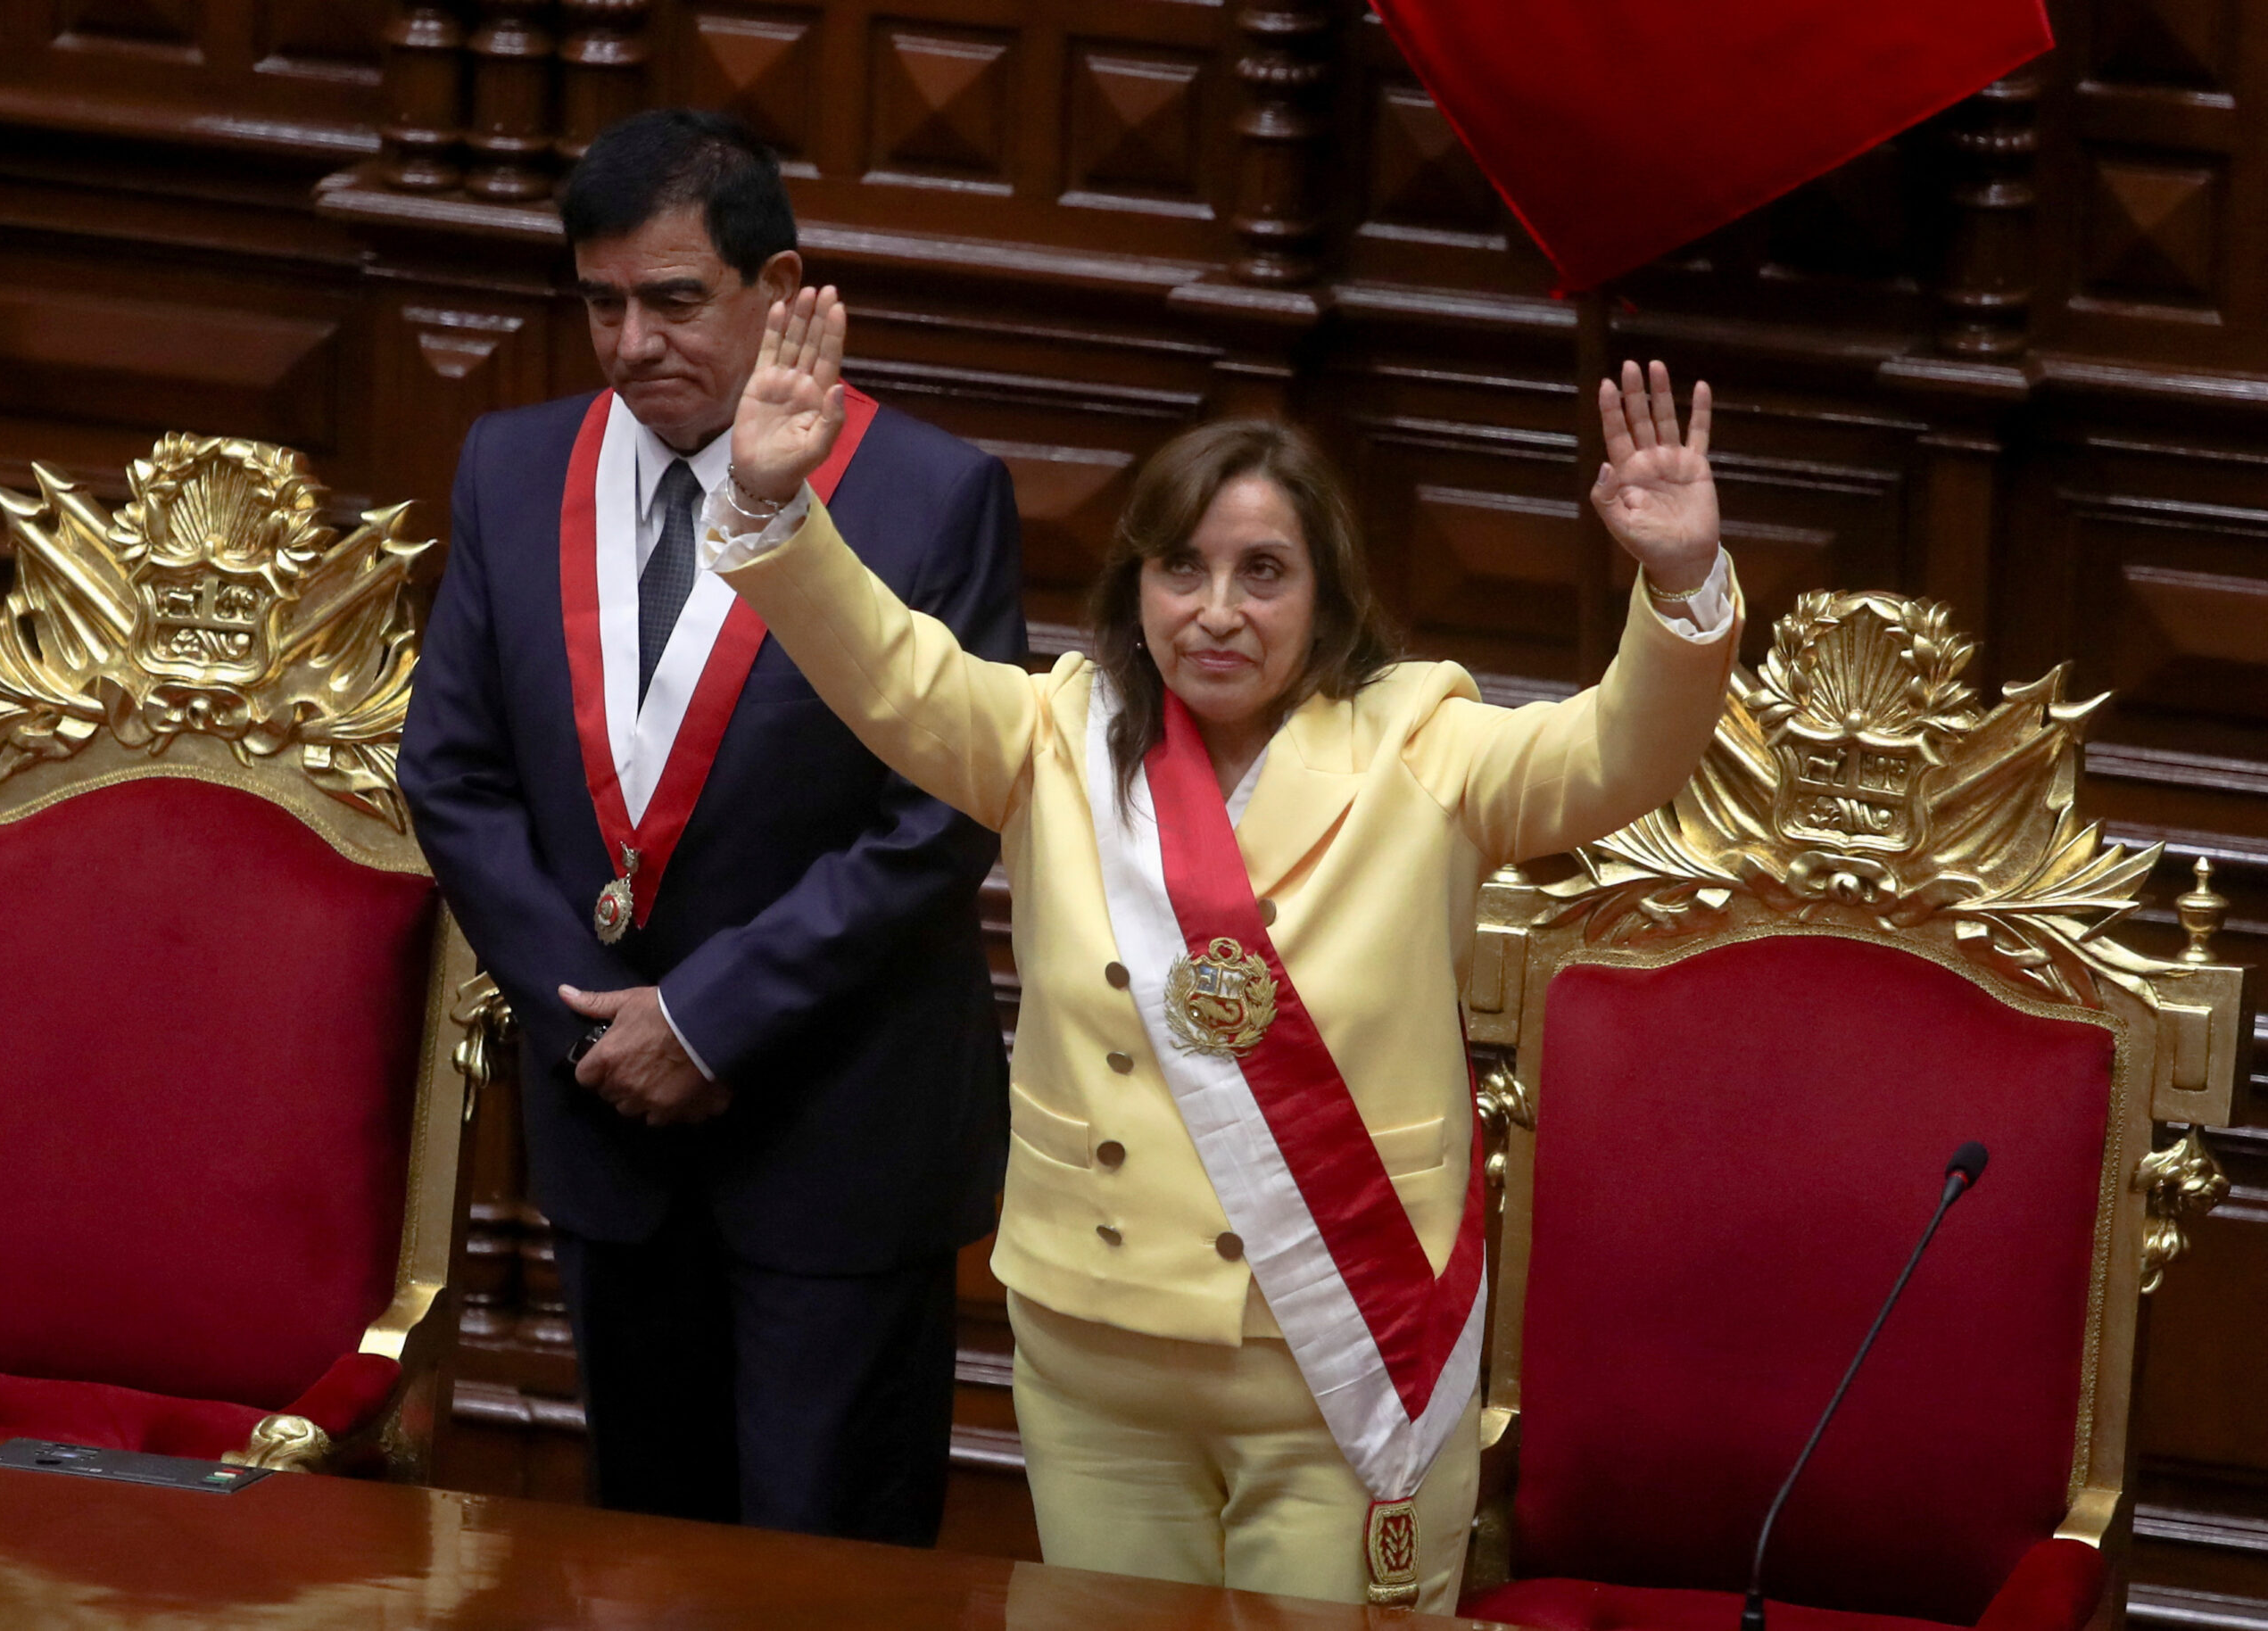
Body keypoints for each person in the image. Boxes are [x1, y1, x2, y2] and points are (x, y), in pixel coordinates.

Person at [700, 286, 1741, 1610]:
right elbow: (887, 667)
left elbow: (1618, 755)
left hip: (1336, 1349)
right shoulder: (1049, 736)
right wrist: (780, 509)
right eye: (1180, 568)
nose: (1216, 611)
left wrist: (1679, 580)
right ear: (1135, 588)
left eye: (1264, 572)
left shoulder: (1425, 742)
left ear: (1327, 594)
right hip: (1096, 1348)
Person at [394, 112, 1024, 1544]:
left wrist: (710, 1018)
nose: (629, 345)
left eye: (673, 300)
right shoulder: (509, 466)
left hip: (832, 1132)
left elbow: (941, 811)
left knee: (825, 1573)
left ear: (778, 284)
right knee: (641, 1555)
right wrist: (598, 1029)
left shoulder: (932, 495)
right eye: (601, 303)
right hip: (612, 1124)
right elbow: (454, 773)